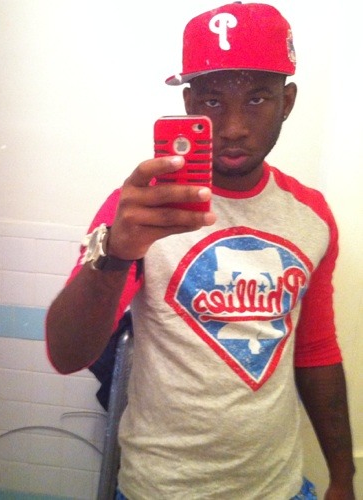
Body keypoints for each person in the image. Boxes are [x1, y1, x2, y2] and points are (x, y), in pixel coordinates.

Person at [45, 2, 355, 499]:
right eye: (212, 100)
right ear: (188, 104)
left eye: (257, 98)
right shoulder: (141, 210)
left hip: (279, 486)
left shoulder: (311, 215)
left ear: (288, 101)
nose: (233, 126)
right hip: (160, 489)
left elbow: (315, 350)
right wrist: (115, 255)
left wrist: (343, 476)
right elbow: (66, 354)